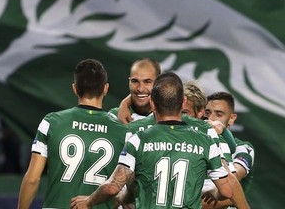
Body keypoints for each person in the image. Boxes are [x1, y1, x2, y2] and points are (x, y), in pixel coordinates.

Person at [70, 72, 235, 209]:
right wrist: (213, 193)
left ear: (153, 104)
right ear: (183, 102)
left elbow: (113, 187)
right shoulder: (206, 141)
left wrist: (88, 201)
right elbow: (227, 191)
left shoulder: (138, 140)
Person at [18, 59, 128, 209]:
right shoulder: (123, 132)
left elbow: (32, 179)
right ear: (105, 88)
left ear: (75, 88)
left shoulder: (51, 122)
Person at [202, 91, 255, 208]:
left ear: (231, 119)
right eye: (207, 113)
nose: (211, 119)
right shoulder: (196, 146)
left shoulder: (243, 148)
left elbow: (231, 180)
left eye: (219, 114)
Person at [109, 58, 161, 123]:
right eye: (135, 81)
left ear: (159, 83)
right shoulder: (114, 117)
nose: (140, 89)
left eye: (147, 82)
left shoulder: (169, 117)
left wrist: (125, 102)